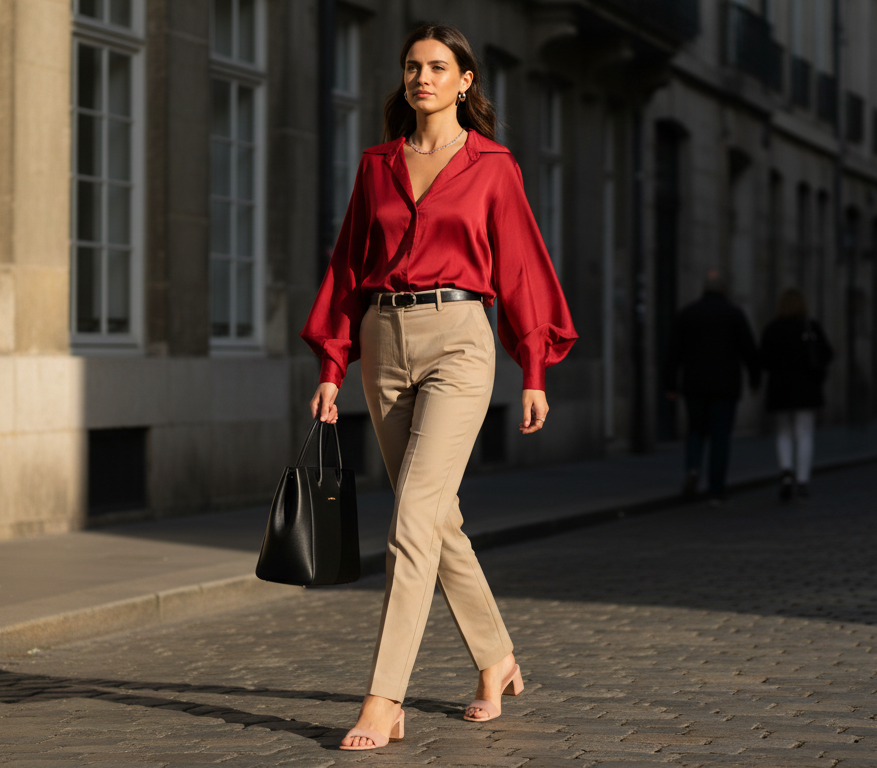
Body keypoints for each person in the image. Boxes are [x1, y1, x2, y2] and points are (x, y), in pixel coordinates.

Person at [301, 24, 577, 751]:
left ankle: (383, 698)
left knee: (411, 523)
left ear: (465, 81)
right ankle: (496, 658)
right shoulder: (377, 166)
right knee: (436, 521)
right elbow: (346, 265)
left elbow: (519, 267)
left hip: (460, 339)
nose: (421, 77)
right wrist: (332, 365)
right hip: (383, 345)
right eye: (412, 67)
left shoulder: (493, 166)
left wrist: (533, 370)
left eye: (437, 67)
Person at [663, 269, 760, 503]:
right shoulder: (734, 314)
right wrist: (755, 379)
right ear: (724, 289)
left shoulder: (688, 314)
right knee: (720, 438)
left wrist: (670, 384)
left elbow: (673, 352)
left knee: (695, 431)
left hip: (695, 384)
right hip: (725, 387)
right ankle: (716, 489)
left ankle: (693, 468)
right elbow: (749, 350)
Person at [759, 289, 834, 501]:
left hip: (780, 389)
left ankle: (785, 472)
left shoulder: (773, 328)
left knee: (783, 432)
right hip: (806, 388)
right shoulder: (810, 327)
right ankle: (802, 480)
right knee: (804, 433)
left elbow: (762, 359)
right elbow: (827, 353)